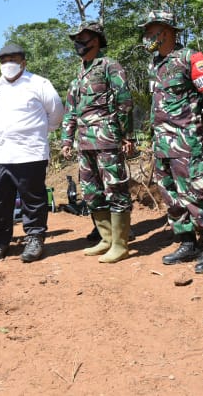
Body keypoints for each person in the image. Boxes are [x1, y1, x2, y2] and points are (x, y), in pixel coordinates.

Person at [141, 10, 203, 274]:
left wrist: (192, 126)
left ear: (165, 31)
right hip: (162, 142)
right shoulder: (155, 64)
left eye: (150, 30)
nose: (146, 36)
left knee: (198, 190)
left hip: (186, 140)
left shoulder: (191, 57)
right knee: (171, 194)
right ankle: (186, 242)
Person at [0, 43, 64, 263]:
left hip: (31, 153)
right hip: (0, 155)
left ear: (23, 62)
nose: (8, 63)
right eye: (4, 60)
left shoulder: (39, 84)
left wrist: (35, 132)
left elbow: (56, 114)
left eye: (13, 59)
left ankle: (35, 238)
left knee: (33, 198)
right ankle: (0, 242)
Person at [61, 21, 134, 263]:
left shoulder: (109, 66)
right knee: (91, 193)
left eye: (83, 38)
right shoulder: (79, 72)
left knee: (115, 189)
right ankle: (106, 239)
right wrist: (66, 140)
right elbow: (70, 109)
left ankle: (121, 244)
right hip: (84, 143)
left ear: (97, 40)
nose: (78, 43)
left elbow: (124, 101)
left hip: (107, 139)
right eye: (76, 39)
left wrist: (128, 135)